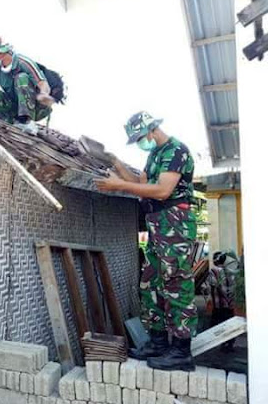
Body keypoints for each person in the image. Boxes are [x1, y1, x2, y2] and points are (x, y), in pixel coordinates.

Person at [95, 111, 197, 371]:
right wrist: (116, 163)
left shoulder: (176, 151)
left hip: (174, 221)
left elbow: (162, 190)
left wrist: (119, 186)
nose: (140, 142)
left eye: (141, 137)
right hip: (156, 223)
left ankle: (181, 351)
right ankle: (158, 342)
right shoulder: (154, 155)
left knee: (175, 282)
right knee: (151, 282)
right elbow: (140, 183)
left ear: (152, 130)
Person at [0, 37, 54, 132]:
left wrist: (44, 94)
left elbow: (42, 83)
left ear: (4, 52)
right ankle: (10, 121)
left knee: (21, 77)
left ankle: (26, 121)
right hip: (15, 107)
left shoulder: (23, 62)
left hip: (35, 108)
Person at [202, 250, 240, 352]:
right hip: (229, 304)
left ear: (215, 260)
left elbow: (212, 284)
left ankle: (221, 344)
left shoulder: (213, 271)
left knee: (217, 324)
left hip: (218, 304)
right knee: (229, 323)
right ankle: (230, 344)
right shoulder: (230, 270)